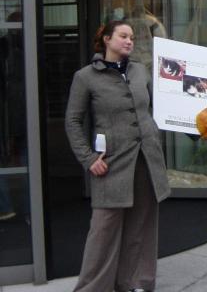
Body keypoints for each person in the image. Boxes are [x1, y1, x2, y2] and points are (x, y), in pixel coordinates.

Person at [65, 20, 170, 292]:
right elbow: (73, 121)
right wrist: (88, 158)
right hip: (111, 163)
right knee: (103, 230)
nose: (129, 41)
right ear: (107, 40)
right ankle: (92, 287)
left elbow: (156, 108)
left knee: (141, 226)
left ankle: (135, 283)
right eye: (123, 36)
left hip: (147, 159)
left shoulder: (140, 72)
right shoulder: (86, 77)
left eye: (132, 37)